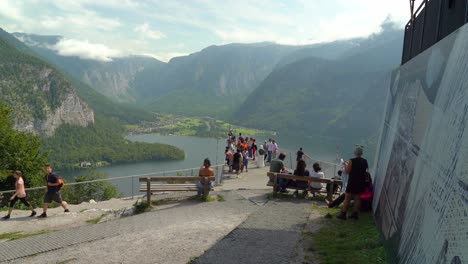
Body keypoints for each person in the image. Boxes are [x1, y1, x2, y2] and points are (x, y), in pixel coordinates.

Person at [337, 146, 369, 220]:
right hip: (361, 181)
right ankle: (355, 214)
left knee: (347, 197)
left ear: (355, 152)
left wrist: (345, 164)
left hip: (352, 181)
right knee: (358, 198)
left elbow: (347, 172)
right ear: (361, 153)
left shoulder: (352, 160)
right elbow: (366, 170)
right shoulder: (365, 161)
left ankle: (343, 214)